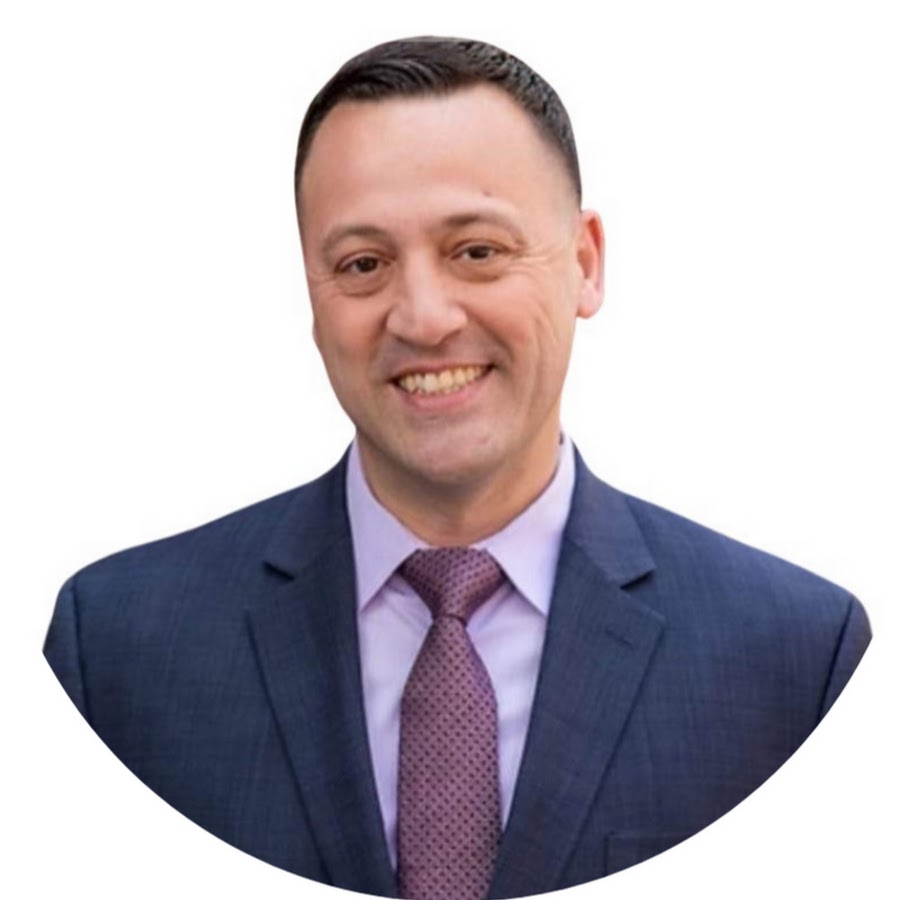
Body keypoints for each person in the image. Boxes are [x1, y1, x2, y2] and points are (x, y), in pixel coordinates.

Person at [43, 36, 871, 900]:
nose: (424, 317)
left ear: (585, 264)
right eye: (363, 264)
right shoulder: (117, 651)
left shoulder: (795, 661)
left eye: (477, 251)